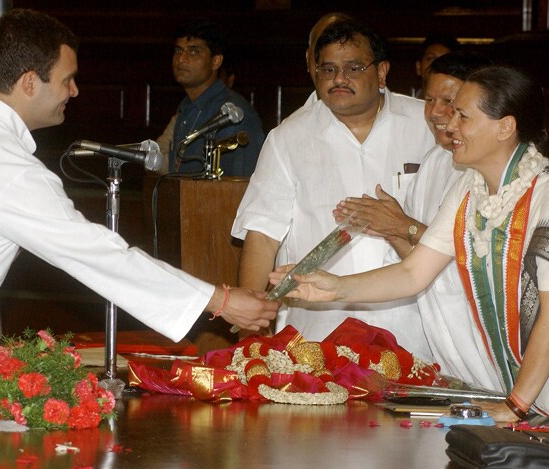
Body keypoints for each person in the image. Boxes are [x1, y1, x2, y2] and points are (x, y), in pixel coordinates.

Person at [0, 9, 278, 467]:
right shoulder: (4, 163)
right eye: (67, 79)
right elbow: (95, 253)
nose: (74, 91)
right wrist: (221, 299)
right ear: (30, 82)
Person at [273, 65, 549, 421]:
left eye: (462, 116)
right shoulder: (469, 190)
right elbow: (412, 273)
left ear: (505, 127)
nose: (449, 126)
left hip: (529, 397)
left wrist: (517, 405)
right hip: (515, 394)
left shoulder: (543, 194)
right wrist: (334, 288)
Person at [232, 18, 436, 359]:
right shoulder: (288, 138)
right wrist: (252, 326)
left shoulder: (427, 127)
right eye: (328, 69)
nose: (339, 79)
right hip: (316, 331)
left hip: (411, 327)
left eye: (353, 67)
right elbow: (262, 236)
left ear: (382, 72)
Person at [334, 52, 497, 386]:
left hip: (488, 336)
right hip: (447, 341)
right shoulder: (435, 160)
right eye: (429, 99)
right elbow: (419, 265)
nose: (436, 113)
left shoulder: (495, 169)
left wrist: (402, 225)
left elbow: (479, 257)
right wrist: (387, 228)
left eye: (449, 102)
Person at [166, 20, 264, 176]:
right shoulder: (186, 109)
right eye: (178, 50)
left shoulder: (234, 114)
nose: (181, 59)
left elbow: (243, 185)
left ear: (216, 61)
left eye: (193, 52)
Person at [411, 34, 459, 98]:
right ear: (419, 67)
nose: (437, 64)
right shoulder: (399, 104)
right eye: (431, 58)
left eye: (445, 60)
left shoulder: (461, 105)